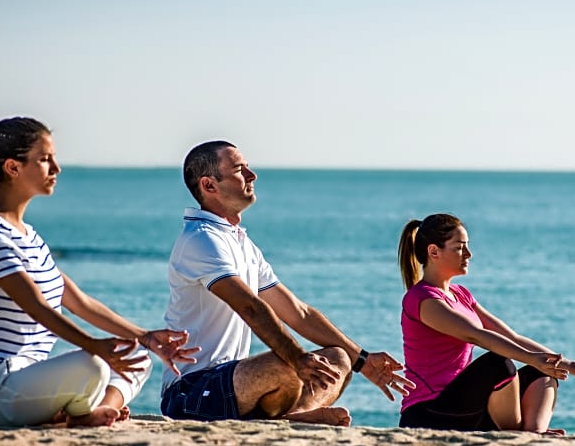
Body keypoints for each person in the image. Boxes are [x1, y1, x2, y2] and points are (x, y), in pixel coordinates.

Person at [0, 114, 199, 427]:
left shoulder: (29, 237)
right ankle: (79, 413)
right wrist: (94, 346)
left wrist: (145, 337)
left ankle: (92, 410)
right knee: (93, 366)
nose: (56, 169)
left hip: (26, 382)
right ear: (12, 168)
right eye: (45, 160)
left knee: (136, 355)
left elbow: (79, 302)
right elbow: (38, 307)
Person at [159, 140, 414, 426]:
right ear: (209, 186)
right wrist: (297, 359)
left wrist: (363, 360)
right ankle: (294, 413)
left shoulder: (241, 243)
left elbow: (298, 312)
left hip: (235, 383)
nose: (252, 175)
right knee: (286, 364)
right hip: (190, 391)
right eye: (239, 170)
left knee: (339, 359)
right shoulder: (201, 238)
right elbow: (250, 307)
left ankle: (294, 415)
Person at [397, 213, 575, 434]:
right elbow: (476, 335)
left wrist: (568, 365)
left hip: (468, 410)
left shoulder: (460, 294)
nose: (469, 254)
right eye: (460, 247)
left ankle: (533, 434)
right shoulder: (422, 299)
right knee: (499, 364)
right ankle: (516, 432)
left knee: (543, 374)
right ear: (434, 252)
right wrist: (531, 358)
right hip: (429, 413)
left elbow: (513, 337)